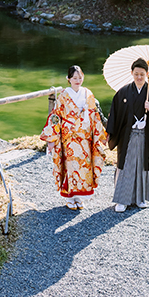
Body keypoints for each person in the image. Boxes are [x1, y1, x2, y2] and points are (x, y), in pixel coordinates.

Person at [40, 65, 108, 211]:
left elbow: (95, 116)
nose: (78, 80)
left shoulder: (88, 93)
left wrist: (101, 135)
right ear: (69, 79)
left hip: (85, 138)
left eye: (80, 77)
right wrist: (51, 139)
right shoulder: (64, 95)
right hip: (69, 138)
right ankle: (70, 197)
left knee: (84, 167)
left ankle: (80, 197)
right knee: (71, 167)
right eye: (75, 78)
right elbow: (56, 116)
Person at [106, 57, 149, 212]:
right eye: (136, 74)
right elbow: (114, 113)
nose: (139, 77)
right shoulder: (123, 92)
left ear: (147, 74)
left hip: (145, 135)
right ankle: (122, 200)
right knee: (126, 165)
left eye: (142, 74)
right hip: (128, 135)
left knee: (142, 165)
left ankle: (141, 198)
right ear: (131, 73)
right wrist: (110, 132)